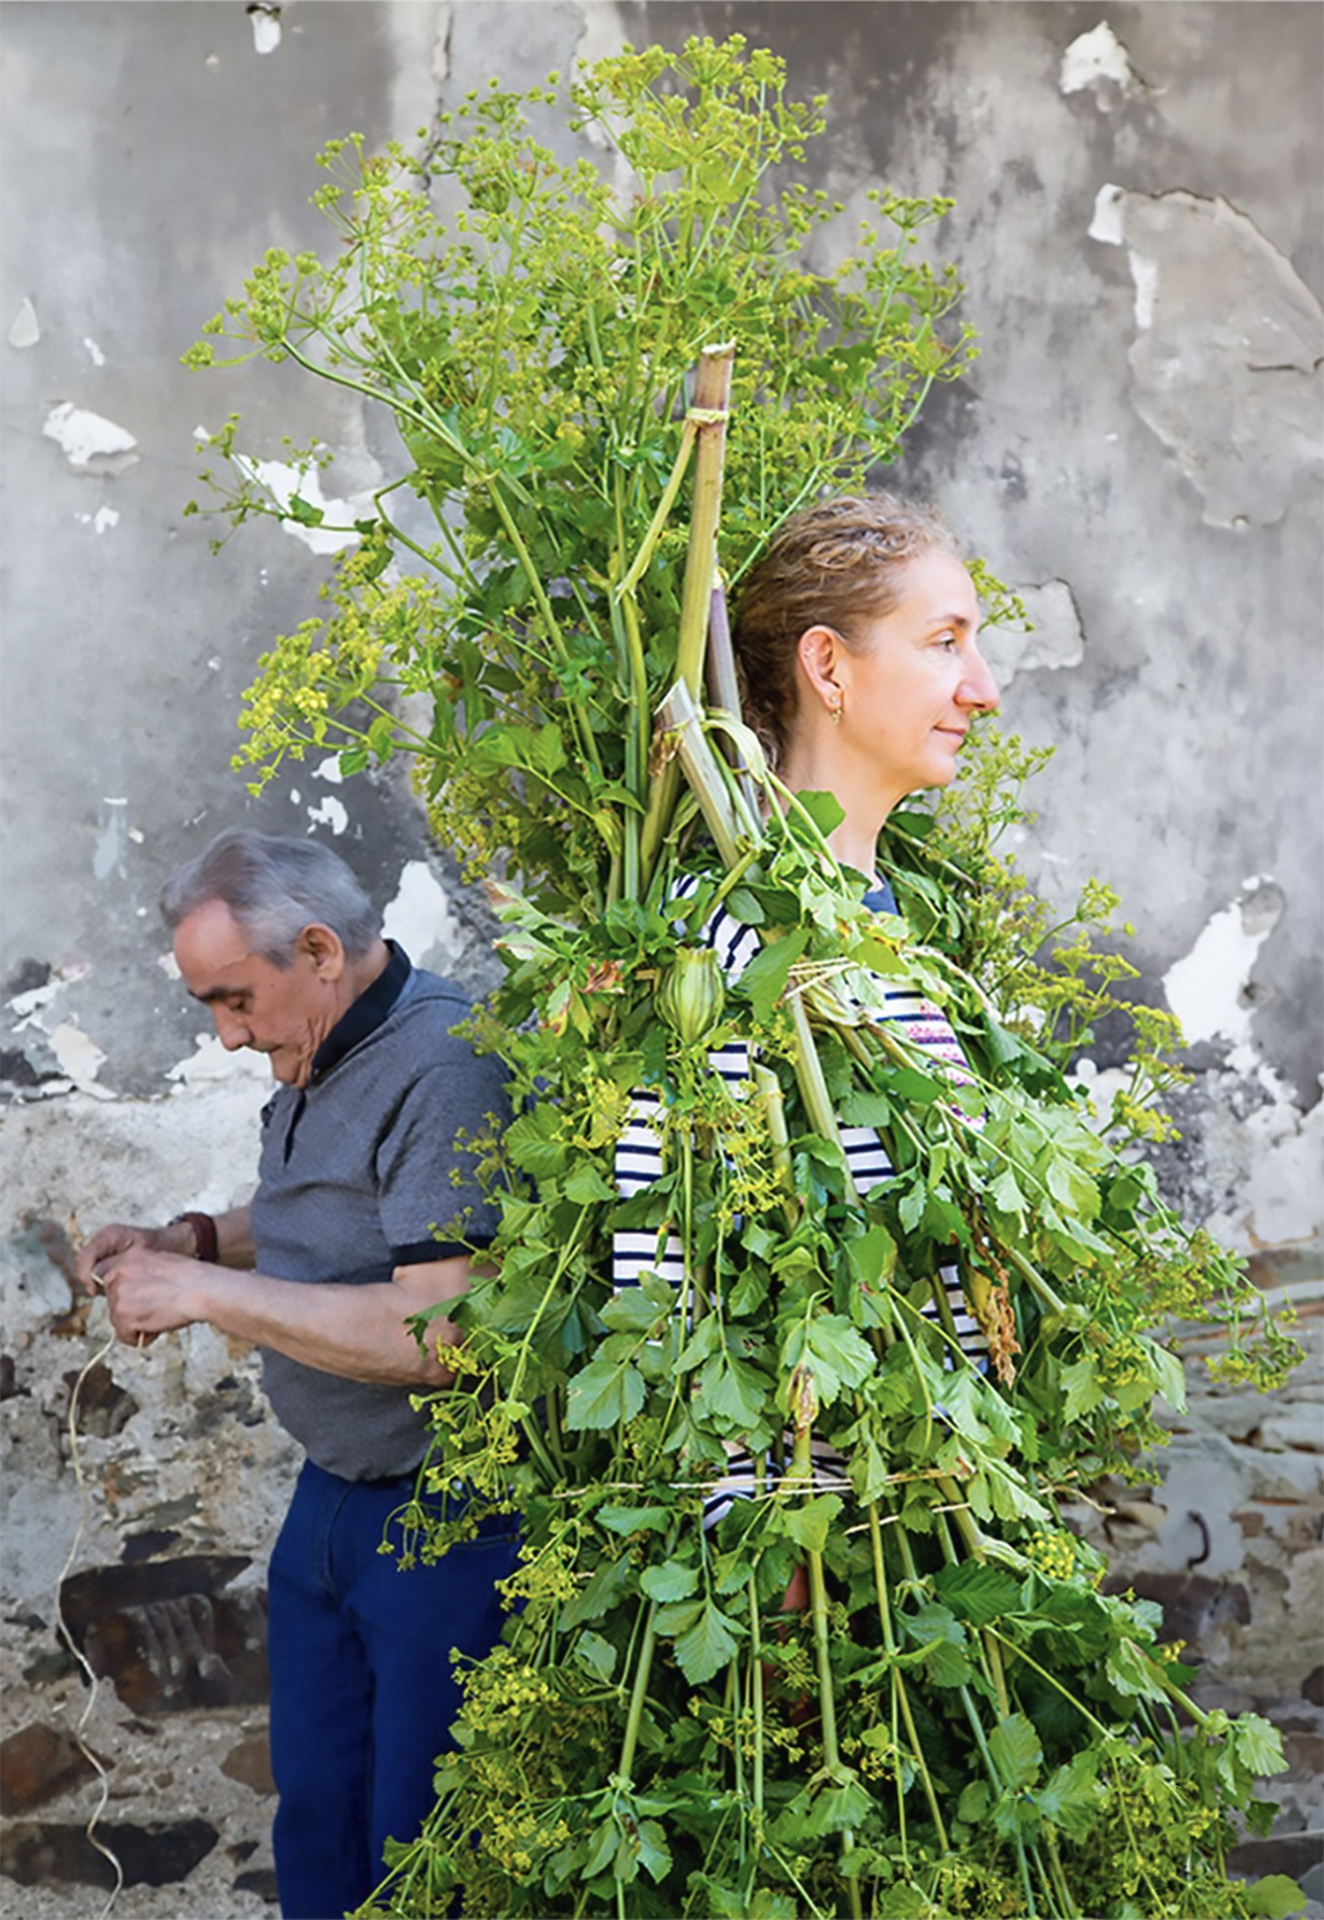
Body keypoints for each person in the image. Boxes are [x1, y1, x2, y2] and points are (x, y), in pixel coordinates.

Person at [76, 829, 517, 1920]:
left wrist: (205, 1298)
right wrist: (192, 1242)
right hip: (330, 1505)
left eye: (234, 1000)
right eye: (209, 1009)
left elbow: (439, 1334)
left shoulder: (446, 1066)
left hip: (440, 1520)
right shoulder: (322, 1047)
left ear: (319, 949)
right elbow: (332, 1221)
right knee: (317, 1826)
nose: (227, 1038)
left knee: (419, 1857)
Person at [614, 492, 1001, 1525]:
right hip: (821, 1563)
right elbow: (670, 1265)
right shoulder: (739, 939)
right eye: (944, 642)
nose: (983, 689)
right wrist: (767, 1563)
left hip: (917, 1514)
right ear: (827, 667)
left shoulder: (903, 926)